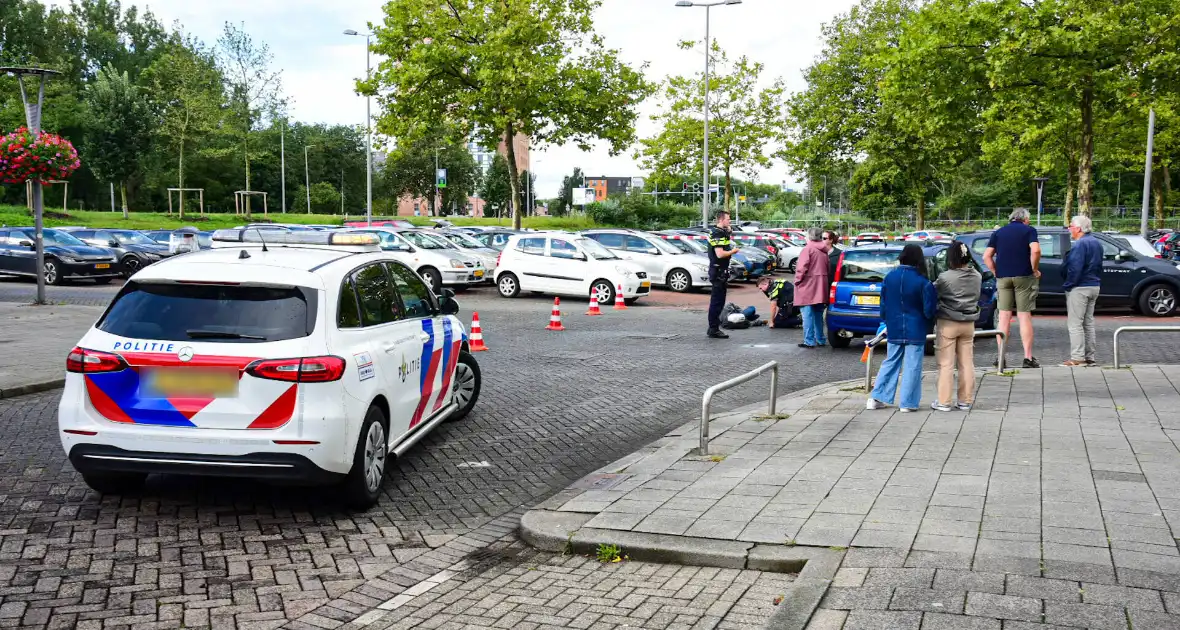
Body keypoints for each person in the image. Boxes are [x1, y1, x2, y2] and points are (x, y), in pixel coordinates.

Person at [867, 245, 938, 412]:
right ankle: (907, 403)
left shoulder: (889, 278)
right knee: (913, 365)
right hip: (916, 328)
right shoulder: (923, 282)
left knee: (890, 361)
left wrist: (886, 320)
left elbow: (883, 306)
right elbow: (929, 310)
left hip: (894, 326)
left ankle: (876, 397)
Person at [983, 208, 1042, 368]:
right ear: (1025, 219)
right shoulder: (1029, 230)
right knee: (1024, 316)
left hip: (1003, 277)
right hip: (1024, 277)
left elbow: (986, 255)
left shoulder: (999, 232)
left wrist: (995, 270)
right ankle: (1028, 358)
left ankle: (1001, 357)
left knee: (1003, 317)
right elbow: (1035, 250)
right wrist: (1034, 268)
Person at [932, 241, 982, 412]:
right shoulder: (977, 276)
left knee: (946, 364)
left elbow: (933, 292)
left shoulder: (945, 277)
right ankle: (965, 401)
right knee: (967, 362)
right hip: (969, 323)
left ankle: (944, 402)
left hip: (948, 322)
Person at [1061, 215, 1102, 367]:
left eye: (1071, 226)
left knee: (1075, 324)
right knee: (1088, 323)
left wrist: (1069, 285)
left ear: (1078, 229)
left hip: (1080, 287)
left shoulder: (1080, 244)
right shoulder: (1096, 242)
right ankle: (1090, 356)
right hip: (1094, 285)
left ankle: (1077, 358)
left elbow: (1075, 268)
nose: (1069, 229)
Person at [793, 227, 830, 348]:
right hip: (821, 286)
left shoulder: (807, 249)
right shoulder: (824, 251)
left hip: (808, 286)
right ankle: (821, 339)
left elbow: (801, 268)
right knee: (818, 314)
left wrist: (797, 281)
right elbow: (828, 268)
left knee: (807, 314)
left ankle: (809, 340)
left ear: (809, 236)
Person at [706, 211, 736, 339]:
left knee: (720, 300)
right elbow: (719, 254)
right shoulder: (717, 233)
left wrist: (729, 231)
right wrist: (733, 251)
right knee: (717, 302)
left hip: (720, 271)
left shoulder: (719, 232)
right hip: (718, 271)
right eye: (728, 219)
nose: (729, 221)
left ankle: (713, 327)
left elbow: (725, 238)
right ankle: (713, 329)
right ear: (721, 220)